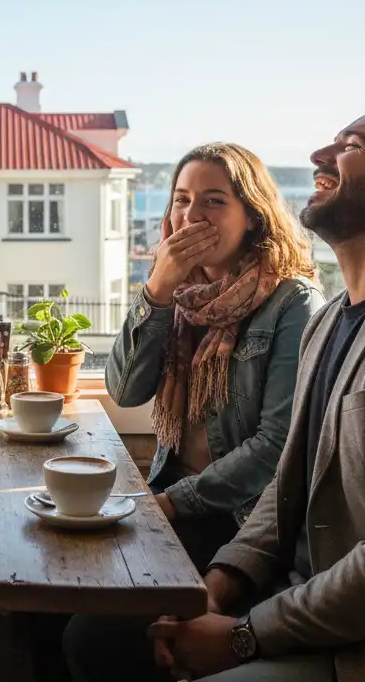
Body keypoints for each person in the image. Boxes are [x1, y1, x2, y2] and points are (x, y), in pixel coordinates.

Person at [66, 96, 365, 682]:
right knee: (88, 632)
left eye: (351, 146)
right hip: (280, 574)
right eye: (181, 201)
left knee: (105, 638)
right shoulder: (332, 323)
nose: (319, 154)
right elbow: (291, 485)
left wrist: (242, 636)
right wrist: (220, 586)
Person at [113, 143, 323, 568]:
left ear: (252, 217)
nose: (191, 217)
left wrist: (172, 504)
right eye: (182, 201)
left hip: (241, 522)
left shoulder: (293, 302)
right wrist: (156, 292)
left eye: (213, 201)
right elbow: (125, 392)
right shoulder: (178, 295)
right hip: (170, 490)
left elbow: (277, 444)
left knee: (91, 630)